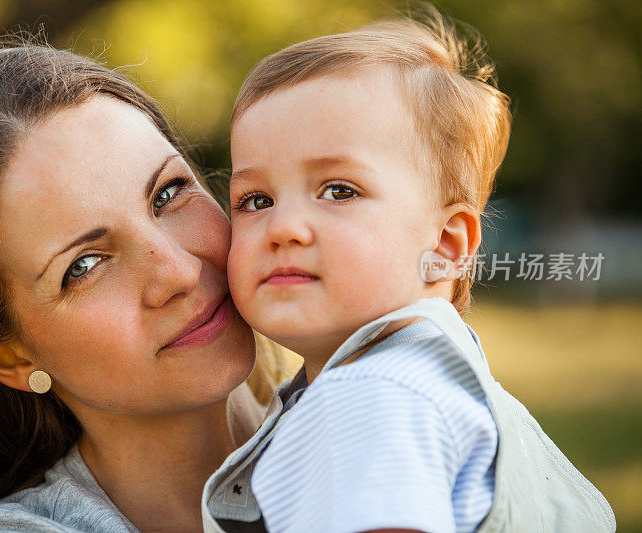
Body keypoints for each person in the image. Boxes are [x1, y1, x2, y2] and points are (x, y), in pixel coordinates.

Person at [0, 39, 288, 533]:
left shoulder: (375, 395)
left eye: (168, 193)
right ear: (8, 355)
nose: (179, 272)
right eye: (84, 265)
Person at [202, 9, 616, 533]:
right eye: (256, 199)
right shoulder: (411, 379)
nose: (283, 227)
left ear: (445, 244)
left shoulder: (373, 395)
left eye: (339, 191)